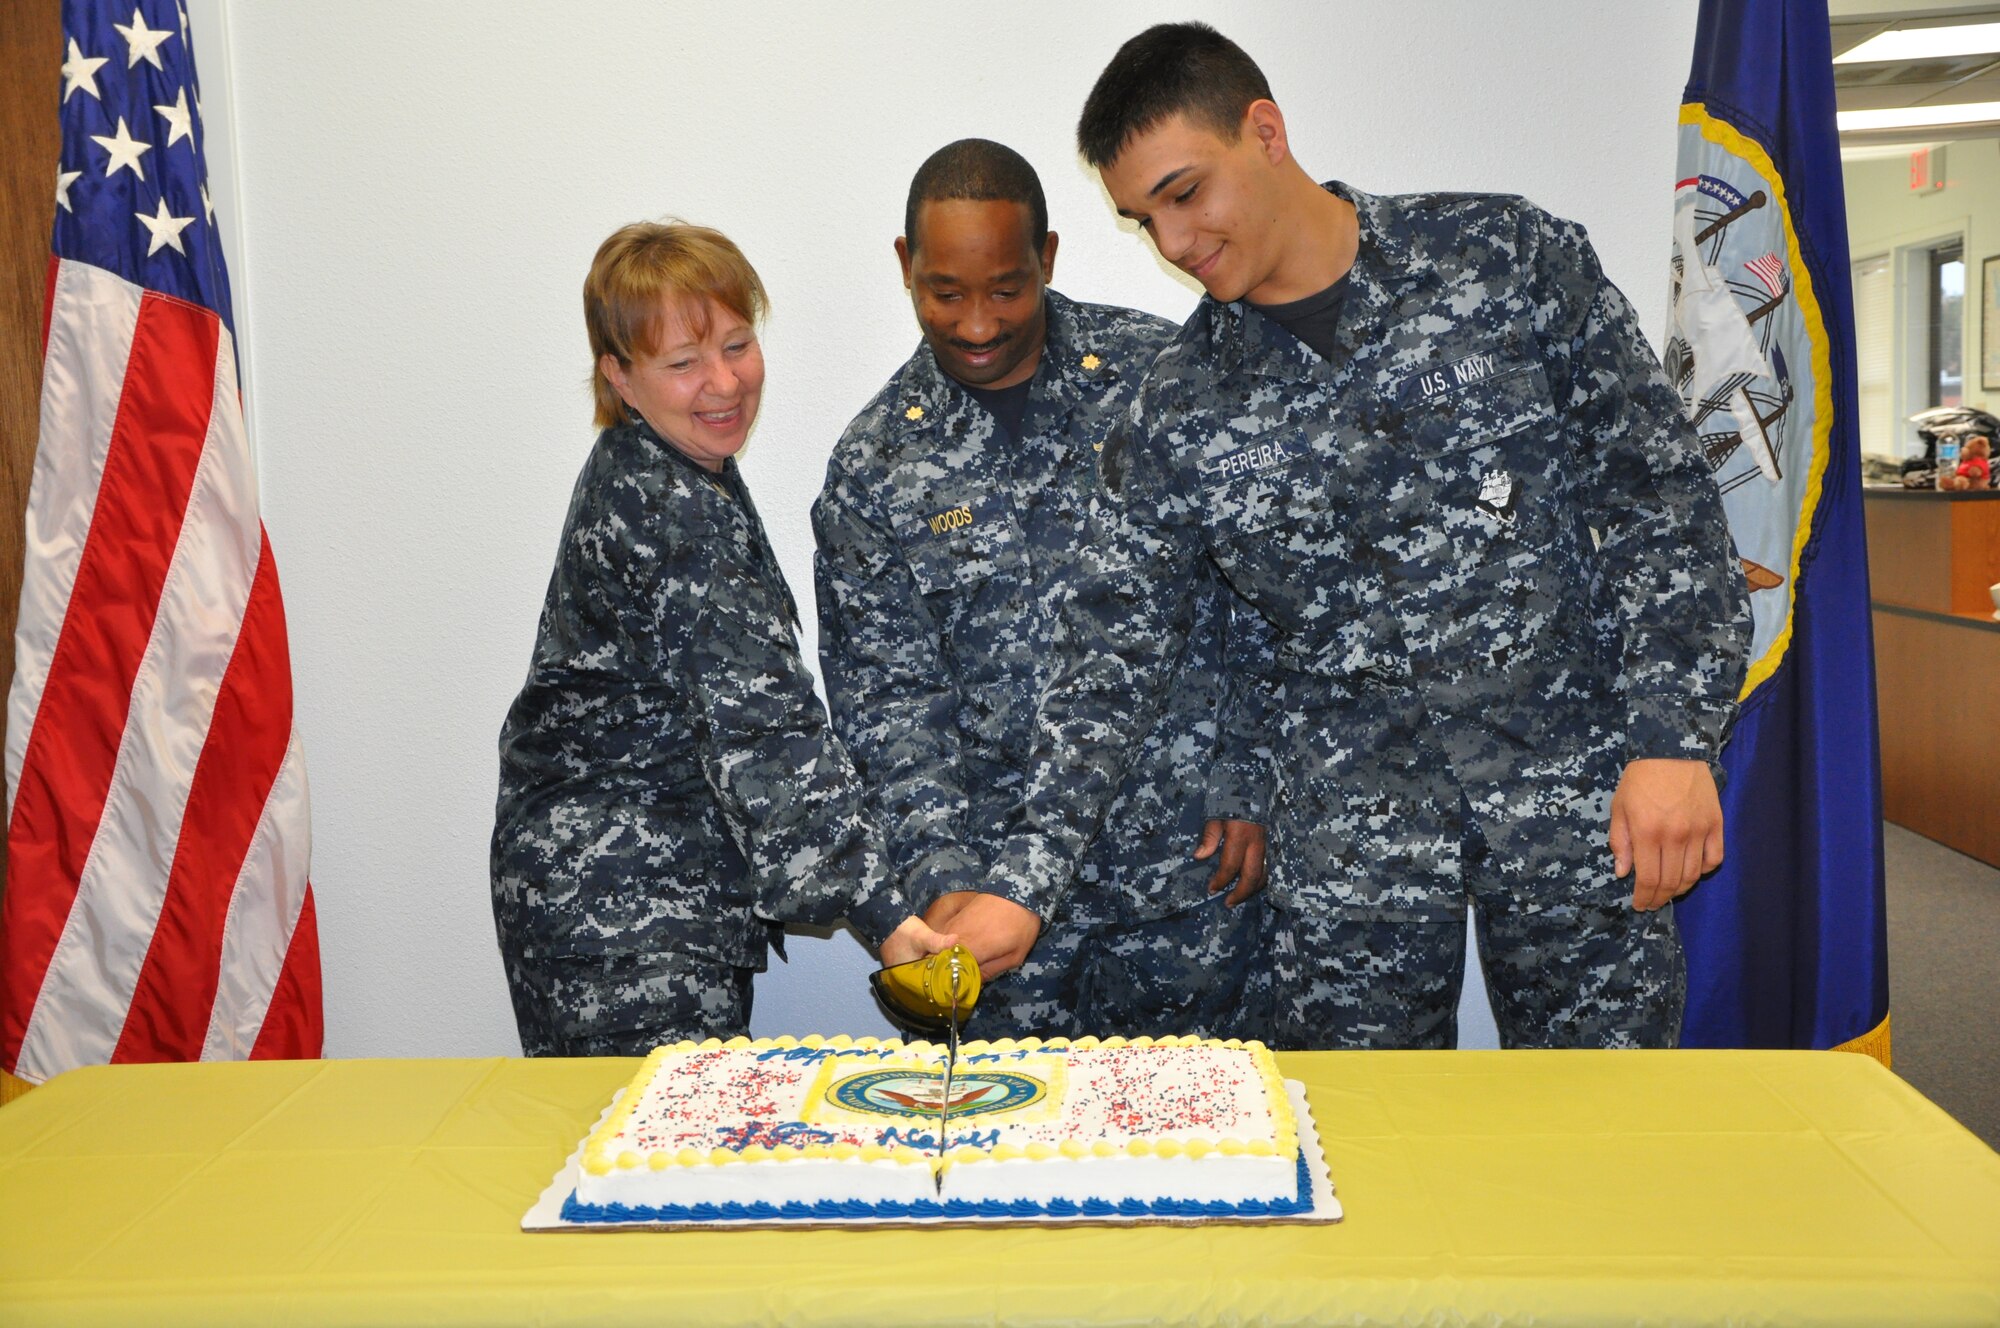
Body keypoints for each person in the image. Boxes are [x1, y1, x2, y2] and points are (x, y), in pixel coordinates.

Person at [940, 24, 1753, 1050]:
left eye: (1185, 193)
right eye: (1143, 220)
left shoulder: (1504, 262)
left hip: (1577, 802)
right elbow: (1106, 661)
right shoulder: (1178, 410)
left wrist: (1672, 738)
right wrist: (1022, 883)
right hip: (1353, 858)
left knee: (1605, 1139)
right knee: (1359, 1160)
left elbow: (1656, 503)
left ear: (1264, 131)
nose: (1175, 244)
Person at [812, 139, 1275, 1040]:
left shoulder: (1157, 379)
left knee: (1195, 1161)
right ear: (905, 268)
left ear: (1049, 259)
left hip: (1186, 877)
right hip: (999, 920)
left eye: (1005, 289)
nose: (978, 323)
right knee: (1009, 1166)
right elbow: (889, 708)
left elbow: (1250, 589)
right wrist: (944, 886)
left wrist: (1246, 772)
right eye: (945, 293)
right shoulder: (874, 466)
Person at [492, 221, 949, 1056]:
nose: (724, 382)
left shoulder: (664, 467)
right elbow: (764, 734)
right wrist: (884, 914)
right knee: (650, 1168)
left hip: (627, 899)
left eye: (737, 344)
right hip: (624, 918)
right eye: (682, 363)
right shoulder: (675, 511)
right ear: (620, 379)